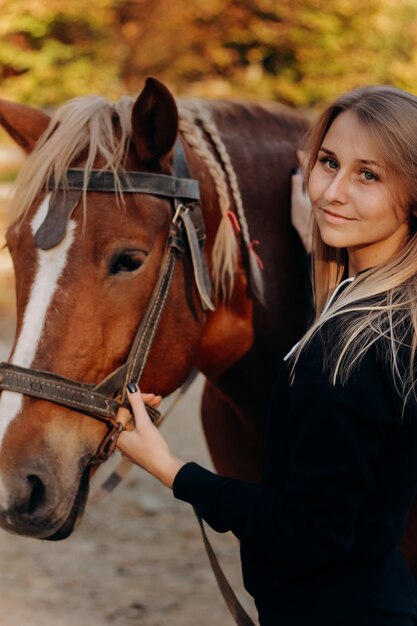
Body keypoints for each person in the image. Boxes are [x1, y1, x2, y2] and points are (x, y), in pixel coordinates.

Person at [116, 85, 417, 625]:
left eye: (368, 175)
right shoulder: (392, 314)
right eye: (329, 162)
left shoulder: (347, 354)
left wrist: (168, 467)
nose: (332, 193)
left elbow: (305, 534)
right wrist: (313, 248)